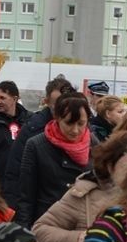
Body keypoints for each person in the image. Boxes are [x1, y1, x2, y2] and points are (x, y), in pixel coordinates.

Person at [15, 94, 97, 228]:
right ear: (57, 118)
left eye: (81, 124)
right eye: (69, 123)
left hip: (84, 225)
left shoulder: (95, 145)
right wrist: (24, 235)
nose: (75, 130)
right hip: (48, 224)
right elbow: (26, 196)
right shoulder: (36, 145)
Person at [2, 76, 74, 209]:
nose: (63, 110)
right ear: (47, 102)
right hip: (40, 206)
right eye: (57, 104)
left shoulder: (84, 131)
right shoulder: (32, 130)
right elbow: (15, 170)